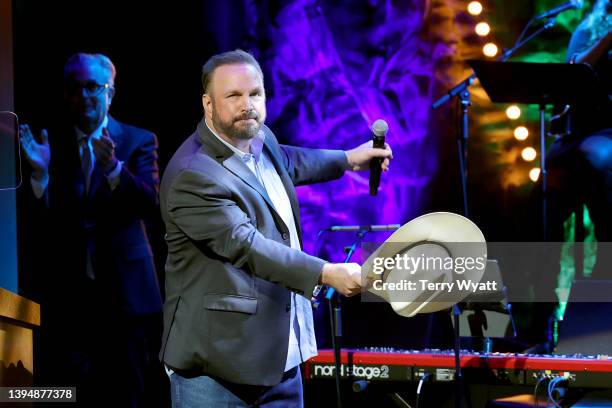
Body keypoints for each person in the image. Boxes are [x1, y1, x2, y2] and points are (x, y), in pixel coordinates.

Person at [160, 49, 392, 407]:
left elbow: (287, 160)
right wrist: (324, 273)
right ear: (208, 104)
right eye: (233, 96)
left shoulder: (258, 137)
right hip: (216, 370)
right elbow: (246, 244)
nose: (247, 105)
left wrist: (347, 160)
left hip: (278, 360)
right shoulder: (194, 174)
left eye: (255, 93)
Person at [19, 53, 164, 407]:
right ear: (65, 93)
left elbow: (152, 205)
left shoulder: (137, 140)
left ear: (109, 93)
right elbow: (35, 224)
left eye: (92, 87)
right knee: (67, 396)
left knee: (128, 395)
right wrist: (39, 177)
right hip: (70, 300)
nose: (83, 96)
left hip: (127, 299)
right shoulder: (48, 142)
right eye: (74, 87)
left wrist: (114, 169)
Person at [545, 0, 612, 277]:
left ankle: (602, 272)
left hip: (607, 130)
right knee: (543, 190)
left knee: (591, 159)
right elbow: (573, 69)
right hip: (580, 128)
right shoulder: (590, 26)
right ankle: (540, 291)